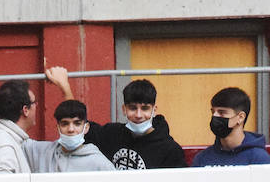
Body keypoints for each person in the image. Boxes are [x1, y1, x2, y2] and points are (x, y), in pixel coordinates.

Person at [0, 71, 114, 173]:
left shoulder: (98, 162)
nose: (71, 129)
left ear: (86, 127)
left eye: (77, 124)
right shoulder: (40, 151)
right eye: (65, 124)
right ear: (58, 127)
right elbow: (4, 128)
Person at [49, 68, 188, 169]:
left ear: (154, 110)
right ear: (124, 109)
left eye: (145, 108)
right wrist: (64, 86)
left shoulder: (170, 149)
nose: (139, 115)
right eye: (133, 108)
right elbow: (76, 120)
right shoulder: (111, 134)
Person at [191, 86, 270, 167]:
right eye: (213, 112)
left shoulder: (258, 159)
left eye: (222, 112)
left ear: (240, 117)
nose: (215, 116)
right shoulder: (202, 158)